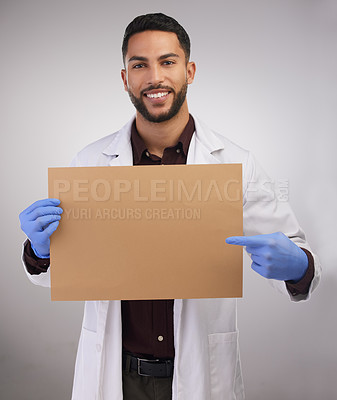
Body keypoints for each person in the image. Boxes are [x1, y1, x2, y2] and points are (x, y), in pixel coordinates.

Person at [19, 13, 321, 400]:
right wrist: (40, 253)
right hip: (117, 377)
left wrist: (298, 266)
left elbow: (299, 266)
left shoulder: (236, 164)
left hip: (198, 376)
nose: (154, 77)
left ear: (189, 70)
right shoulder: (91, 162)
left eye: (167, 62)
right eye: (139, 65)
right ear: (125, 78)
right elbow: (64, 275)